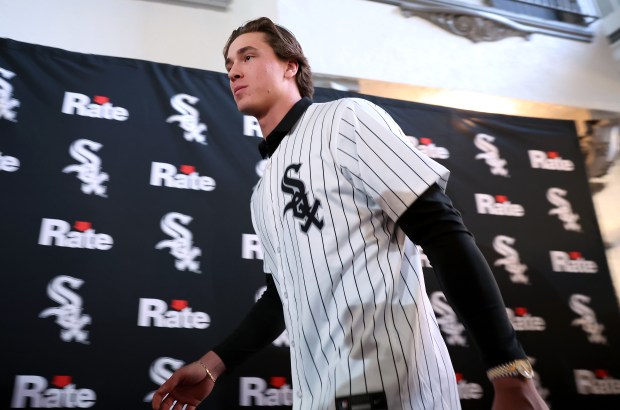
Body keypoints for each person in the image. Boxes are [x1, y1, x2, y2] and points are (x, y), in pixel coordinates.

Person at [152, 17, 549, 410]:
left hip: (397, 387)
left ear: (291, 65)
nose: (234, 71)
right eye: (229, 64)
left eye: (248, 56)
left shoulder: (345, 119)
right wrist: (210, 367)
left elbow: (441, 230)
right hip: (316, 394)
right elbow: (280, 299)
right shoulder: (262, 193)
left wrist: (508, 368)